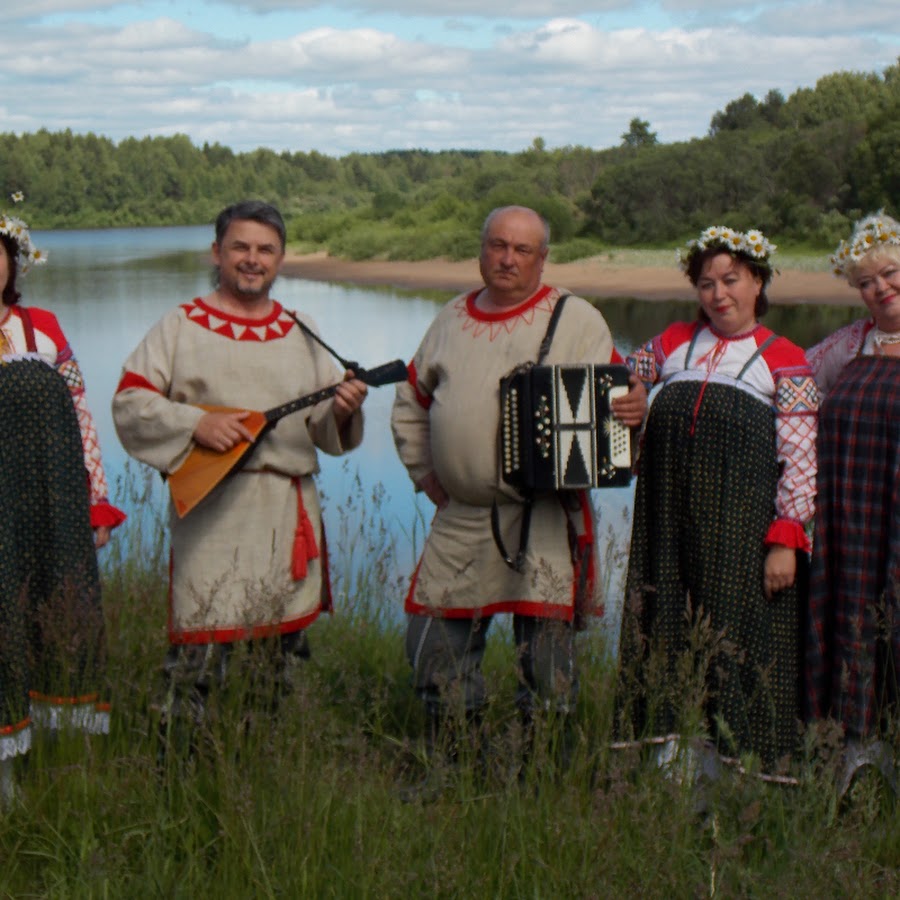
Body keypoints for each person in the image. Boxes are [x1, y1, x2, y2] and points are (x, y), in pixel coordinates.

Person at [391, 205, 646, 773]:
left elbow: (618, 400)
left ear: (542, 258)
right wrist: (428, 474)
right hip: (461, 518)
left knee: (548, 664)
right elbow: (412, 399)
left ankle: (543, 776)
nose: (507, 258)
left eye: (522, 249)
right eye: (497, 245)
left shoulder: (577, 319)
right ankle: (454, 767)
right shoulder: (450, 318)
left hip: (545, 519)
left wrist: (634, 411)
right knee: (434, 648)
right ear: (481, 249)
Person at [112, 200, 367, 745]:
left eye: (265, 249)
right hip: (213, 514)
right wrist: (194, 425)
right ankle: (177, 772)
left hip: (286, 508)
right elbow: (130, 402)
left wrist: (343, 410)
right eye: (241, 247)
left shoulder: (304, 330)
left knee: (278, 665)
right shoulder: (181, 325)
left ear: (280, 258)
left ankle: (261, 764)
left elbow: (325, 431)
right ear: (217, 252)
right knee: (197, 657)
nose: (253, 260)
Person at [615, 225, 818, 775]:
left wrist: (785, 540)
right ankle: (663, 764)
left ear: (758, 280)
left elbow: (799, 459)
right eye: (706, 283)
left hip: (741, 528)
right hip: (665, 520)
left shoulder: (786, 358)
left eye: (731, 279)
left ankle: (743, 773)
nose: (718, 294)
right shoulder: (674, 341)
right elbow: (622, 375)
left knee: (735, 637)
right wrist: (633, 393)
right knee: (662, 624)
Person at [0, 195, 125, 805]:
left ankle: (54, 760)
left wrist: (95, 500)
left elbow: (79, 414)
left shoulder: (42, 328)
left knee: (53, 612)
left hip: (49, 505)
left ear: (11, 263)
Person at [805, 211, 900, 794]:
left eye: (889, 274)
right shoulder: (849, 343)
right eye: (866, 282)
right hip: (851, 517)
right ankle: (856, 748)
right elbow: (787, 379)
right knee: (855, 621)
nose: (880, 289)